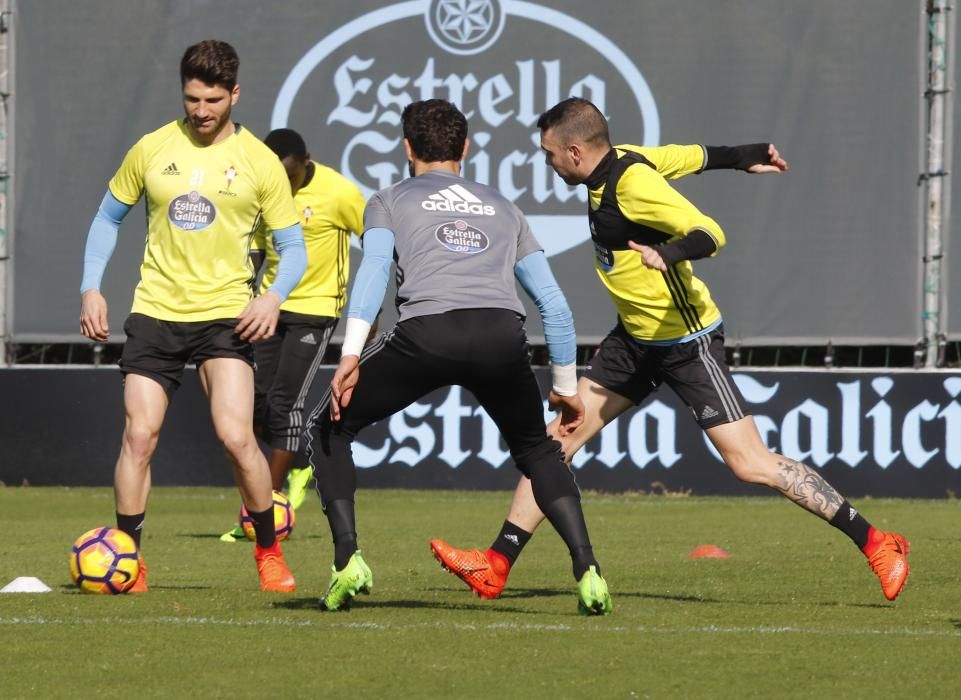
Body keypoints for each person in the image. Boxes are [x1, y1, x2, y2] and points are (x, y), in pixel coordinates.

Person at [430, 97, 910, 603]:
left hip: (686, 341)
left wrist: (669, 252)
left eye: (549, 154)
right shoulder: (624, 162)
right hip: (635, 338)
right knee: (555, 444)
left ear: (574, 151)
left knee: (749, 463)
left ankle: (879, 542)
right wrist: (743, 153)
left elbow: (710, 231)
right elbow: (687, 155)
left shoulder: (632, 184)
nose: (547, 163)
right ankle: (496, 563)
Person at [302, 98, 612, 615]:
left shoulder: (388, 198)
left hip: (428, 334)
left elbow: (375, 270)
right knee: (538, 451)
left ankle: (347, 559)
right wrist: (564, 385)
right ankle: (588, 570)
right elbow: (554, 304)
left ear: (406, 148)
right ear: (465, 148)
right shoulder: (503, 206)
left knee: (329, 428)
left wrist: (350, 354)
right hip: (499, 334)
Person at [79, 40, 306, 592]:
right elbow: (108, 218)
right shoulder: (152, 148)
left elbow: (293, 248)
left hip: (225, 319)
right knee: (139, 435)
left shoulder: (258, 161)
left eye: (212, 99)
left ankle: (268, 552)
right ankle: (128, 559)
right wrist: (91, 287)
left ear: (235, 93)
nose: (201, 110)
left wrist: (271, 296)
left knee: (235, 437)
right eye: (191, 98)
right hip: (155, 312)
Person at [219, 128, 366, 542]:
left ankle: (263, 504)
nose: (285, 185)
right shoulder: (263, 191)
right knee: (255, 406)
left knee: (286, 402)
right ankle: (305, 455)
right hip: (270, 306)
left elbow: (374, 242)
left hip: (317, 310)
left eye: (291, 176)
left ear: (307, 160)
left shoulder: (339, 192)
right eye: (276, 177)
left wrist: (366, 310)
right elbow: (257, 250)